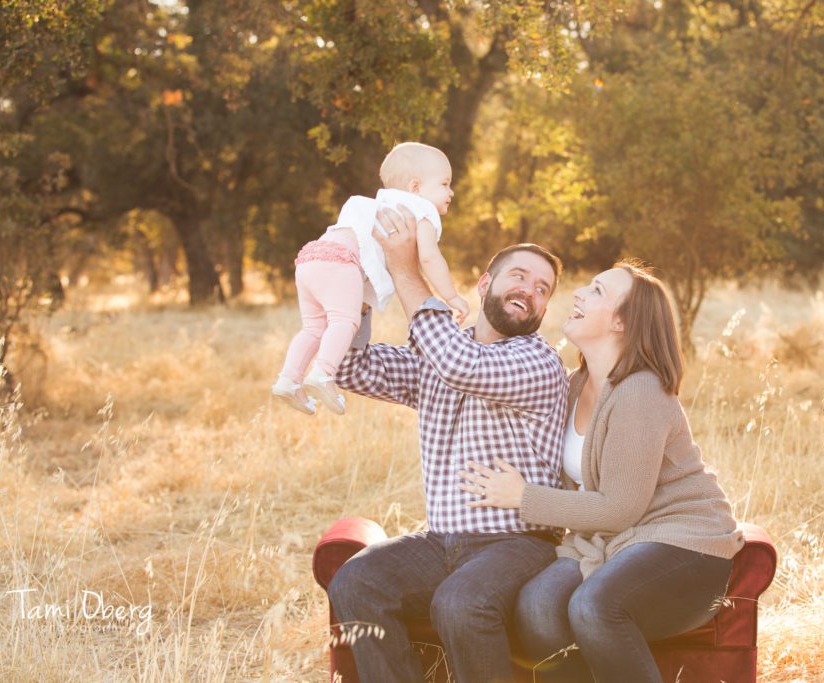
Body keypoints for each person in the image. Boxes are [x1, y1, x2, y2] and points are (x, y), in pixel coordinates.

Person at [459, 261, 744, 683]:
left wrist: (524, 497)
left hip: (682, 543)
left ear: (620, 322)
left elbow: (620, 507)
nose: (576, 294)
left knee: (594, 605)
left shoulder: (641, 391)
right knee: (536, 605)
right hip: (607, 544)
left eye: (595, 292)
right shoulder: (574, 384)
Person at [326, 205, 569, 683]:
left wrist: (405, 268)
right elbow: (351, 367)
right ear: (483, 284)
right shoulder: (443, 351)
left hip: (519, 541)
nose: (531, 292)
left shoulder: (539, 361)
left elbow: (463, 365)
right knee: (356, 581)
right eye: (519, 277)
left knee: (459, 603)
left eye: (543, 290)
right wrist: (359, 290)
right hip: (444, 539)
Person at [272, 142, 470, 416]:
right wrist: (451, 296)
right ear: (415, 187)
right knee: (345, 321)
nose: (451, 192)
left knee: (314, 328)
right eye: (445, 184)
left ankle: (288, 380)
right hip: (341, 262)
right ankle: (323, 373)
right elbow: (429, 258)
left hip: (311, 256)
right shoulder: (422, 210)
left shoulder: (378, 204)